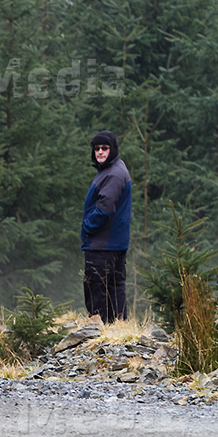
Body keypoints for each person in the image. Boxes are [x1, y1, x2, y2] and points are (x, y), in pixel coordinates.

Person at [81, 130, 132, 323]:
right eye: (96, 149)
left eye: (104, 148)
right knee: (114, 289)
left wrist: (87, 227)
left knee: (97, 289)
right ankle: (117, 328)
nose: (100, 152)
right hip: (113, 243)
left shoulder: (113, 174)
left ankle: (99, 329)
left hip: (103, 244)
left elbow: (105, 208)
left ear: (113, 149)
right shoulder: (114, 169)